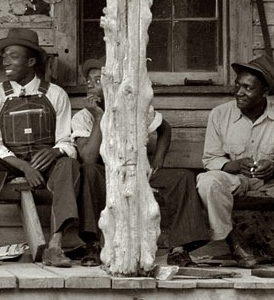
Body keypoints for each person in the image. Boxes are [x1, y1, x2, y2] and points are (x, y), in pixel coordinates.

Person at [0, 28, 80, 267]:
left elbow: (67, 141)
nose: (6, 62)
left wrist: (55, 151)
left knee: (69, 164)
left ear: (31, 61)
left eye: (13, 56)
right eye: (4, 57)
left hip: (45, 162)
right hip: (9, 161)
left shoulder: (55, 94)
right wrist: (24, 167)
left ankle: (54, 246)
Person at [71, 59, 211, 268]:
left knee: (183, 178)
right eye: (87, 81)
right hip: (106, 174)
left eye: (97, 80)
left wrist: (158, 161)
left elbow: (165, 129)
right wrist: (101, 117)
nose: (89, 85)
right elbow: (89, 158)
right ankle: (93, 245)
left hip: (138, 170)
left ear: (113, 84)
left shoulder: (134, 107)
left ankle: (180, 249)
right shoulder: (83, 117)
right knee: (88, 171)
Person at [195, 54, 274, 269]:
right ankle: (235, 243)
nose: (239, 93)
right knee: (207, 182)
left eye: (248, 88)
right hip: (234, 179)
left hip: (270, 182)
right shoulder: (219, 114)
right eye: (237, 85)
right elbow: (210, 158)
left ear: (264, 92)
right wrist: (230, 165)